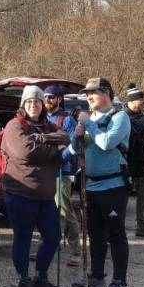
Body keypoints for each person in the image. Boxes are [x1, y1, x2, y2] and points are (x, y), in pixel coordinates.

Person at [1, 85, 69, 287]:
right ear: (23, 104)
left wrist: (43, 139)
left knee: (53, 236)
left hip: (46, 194)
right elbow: (26, 152)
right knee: (23, 238)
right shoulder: (14, 126)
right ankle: (23, 282)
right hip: (21, 192)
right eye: (29, 101)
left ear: (42, 105)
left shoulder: (47, 126)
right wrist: (52, 147)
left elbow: (65, 137)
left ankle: (40, 277)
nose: (33, 104)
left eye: (37, 101)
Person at [70, 78, 132, 287]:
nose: (88, 96)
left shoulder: (120, 117)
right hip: (91, 185)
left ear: (106, 92)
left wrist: (87, 124)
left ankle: (119, 282)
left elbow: (106, 142)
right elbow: (76, 150)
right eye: (86, 93)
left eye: (92, 92)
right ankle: (97, 276)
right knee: (95, 233)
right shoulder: (91, 118)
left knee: (115, 234)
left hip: (114, 185)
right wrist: (77, 137)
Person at [43, 85, 82, 266]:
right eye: (45, 97)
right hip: (44, 171)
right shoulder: (41, 118)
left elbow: (75, 144)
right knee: (46, 211)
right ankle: (50, 245)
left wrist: (62, 156)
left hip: (62, 171)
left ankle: (76, 250)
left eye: (51, 97)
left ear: (59, 99)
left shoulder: (67, 120)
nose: (47, 100)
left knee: (64, 209)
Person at [123, 83, 144, 237]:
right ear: (131, 101)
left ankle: (142, 225)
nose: (143, 102)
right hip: (128, 163)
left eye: (143, 100)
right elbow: (129, 138)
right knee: (122, 198)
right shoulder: (123, 116)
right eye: (140, 100)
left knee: (143, 197)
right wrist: (141, 127)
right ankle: (118, 226)